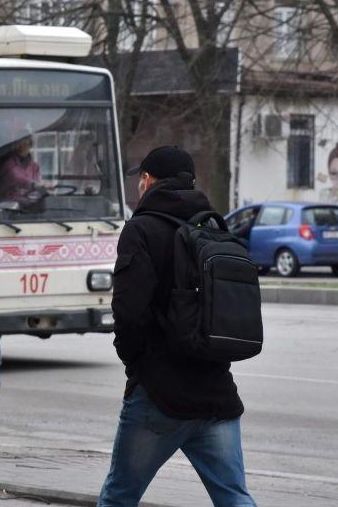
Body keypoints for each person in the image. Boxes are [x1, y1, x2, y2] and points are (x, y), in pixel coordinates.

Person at [98, 146, 257, 507]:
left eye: (141, 178)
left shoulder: (141, 230)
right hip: (216, 393)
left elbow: (129, 311)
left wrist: (136, 365)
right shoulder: (214, 229)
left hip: (159, 395)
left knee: (118, 497)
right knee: (234, 498)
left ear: (149, 181)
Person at [0, 137, 40, 206]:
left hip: (30, 206)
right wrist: (33, 184)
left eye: (26, 144)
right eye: (20, 143)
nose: (22, 146)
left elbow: (38, 186)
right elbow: (16, 177)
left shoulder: (35, 166)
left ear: (30, 146)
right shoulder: (9, 163)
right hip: (10, 205)